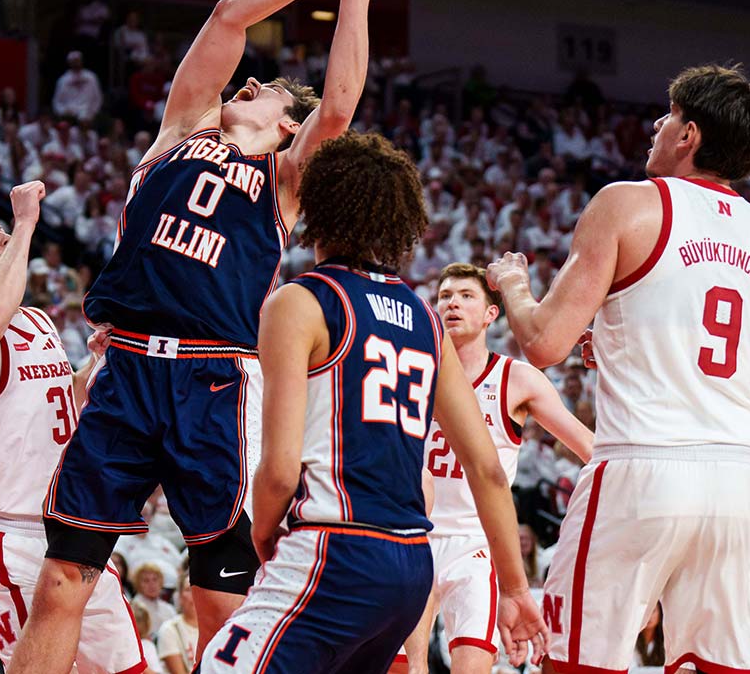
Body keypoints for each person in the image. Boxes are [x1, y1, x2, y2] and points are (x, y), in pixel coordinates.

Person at [13, 0, 411, 672]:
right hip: (126, 371)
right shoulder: (181, 130)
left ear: (286, 127)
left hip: (214, 384)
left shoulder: (287, 180)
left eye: (264, 90)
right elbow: (230, 14)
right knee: (63, 577)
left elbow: (337, 107)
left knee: (222, 604)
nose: (249, 81)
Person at [197, 131, 546, 671]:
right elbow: (488, 469)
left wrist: (263, 536)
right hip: (409, 564)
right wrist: (518, 588)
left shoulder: (299, 301)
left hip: (332, 548)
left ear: (317, 204)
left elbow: (280, 469)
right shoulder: (426, 320)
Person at [486, 64, 750, 672]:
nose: (659, 124)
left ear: (689, 136)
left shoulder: (626, 202)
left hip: (641, 466)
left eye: (670, 115)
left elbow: (545, 342)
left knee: (579, 662)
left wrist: (514, 286)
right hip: (736, 482)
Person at [0, 186, 138, 672]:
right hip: (17, 538)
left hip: (76, 526)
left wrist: (95, 362)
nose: (0, 234)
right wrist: (23, 223)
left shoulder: (37, 319)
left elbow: (65, 398)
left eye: (1, 229)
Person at [398, 263, 593, 674]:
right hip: (414, 534)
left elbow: (588, 448)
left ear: (491, 314)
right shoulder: (410, 371)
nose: (453, 303)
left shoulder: (516, 378)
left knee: (471, 665)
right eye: (445, 296)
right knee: (403, 667)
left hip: (477, 542)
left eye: (466, 296)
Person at [153, 575, 198, 674]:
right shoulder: (170, 629)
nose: (194, 594)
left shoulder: (218, 627)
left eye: (198, 589)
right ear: (180, 597)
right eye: (188, 589)